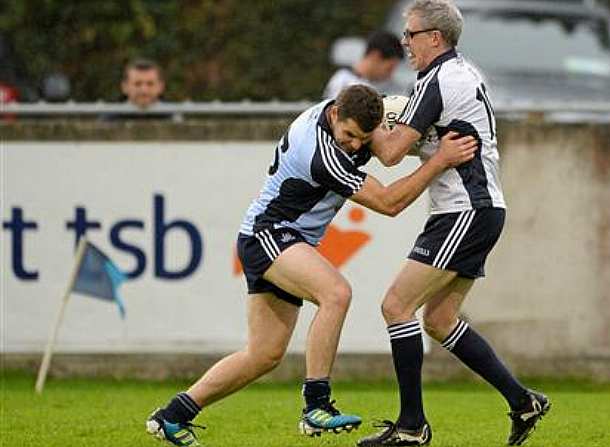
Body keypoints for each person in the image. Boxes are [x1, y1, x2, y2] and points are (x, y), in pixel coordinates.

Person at [145, 84, 477, 447]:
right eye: (349, 136)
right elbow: (388, 202)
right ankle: (315, 406)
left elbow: (384, 149)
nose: (353, 144)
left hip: (278, 238)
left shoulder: (345, 112)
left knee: (263, 355)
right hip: (269, 235)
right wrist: (439, 159)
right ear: (334, 114)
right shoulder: (320, 154)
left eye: (361, 137)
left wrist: (391, 130)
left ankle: (173, 416)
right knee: (336, 293)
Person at [357, 1, 550, 446]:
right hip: (477, 209)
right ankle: (523, 401)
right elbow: (427, 142)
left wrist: (363, 127)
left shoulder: (437, 81)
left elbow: (388, 154)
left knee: (395, 306)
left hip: (466, 210)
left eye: (410, 34)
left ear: (434, 38)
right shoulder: (464, 72)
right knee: (440, 320)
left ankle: (411, 426)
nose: (404, 43)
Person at [323, 30, 404, 99]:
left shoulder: (372, 85)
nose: (390, 75)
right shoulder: (344, 83)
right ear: (375, 56)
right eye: (389, 68)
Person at [101, 58, 177, 121]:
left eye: (150, 84)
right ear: (124, 87)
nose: (144, 90)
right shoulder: (110, 119)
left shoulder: (173, 118)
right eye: (137, 84)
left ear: (161, 87)